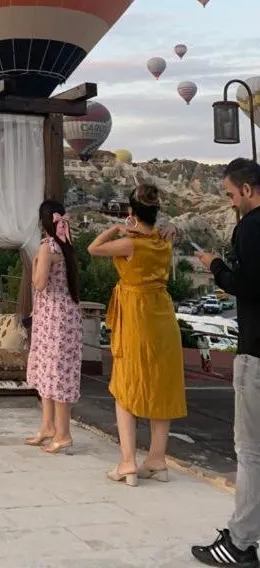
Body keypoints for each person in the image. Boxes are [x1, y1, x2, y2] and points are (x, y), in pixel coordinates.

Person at [88, 183, 186, 486]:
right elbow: (170, 231)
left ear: (132, 212)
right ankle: (157, 459)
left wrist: (117, 227)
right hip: (162, 313)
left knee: (127, 383)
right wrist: (167, 227)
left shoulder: (131, 244)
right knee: (161, 383)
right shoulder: (163, 239)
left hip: (136, 314)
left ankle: (128, 462)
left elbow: (92, 248)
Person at [191, 158, 260, 567]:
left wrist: (214, 266)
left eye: (231, 195)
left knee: (250, 450)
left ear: (247, 191)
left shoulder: (249, 228)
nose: (231, 203)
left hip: (256, 353)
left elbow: (245, 285)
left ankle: (240, 541)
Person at [25, 199, 83, 454]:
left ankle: (63, 433)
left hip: (52, 317)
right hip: (63, 314)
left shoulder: (48, 247)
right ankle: (48, 426)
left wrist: (37, 262)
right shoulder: (66, 244)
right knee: (50, 372)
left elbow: (38, 284)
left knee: (56, 374)